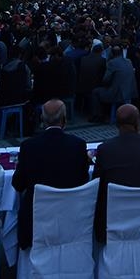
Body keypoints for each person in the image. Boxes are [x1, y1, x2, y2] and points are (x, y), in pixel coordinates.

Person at [11, 99, 90, 250]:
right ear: (64, 120)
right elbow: (84, 180)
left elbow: (18, 184)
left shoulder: (29, 146)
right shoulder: (78, 145)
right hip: (71, 217)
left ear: (42, 120)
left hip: (36, 221)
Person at [92, 103, 140, 240]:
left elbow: (96, 187)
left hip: (111, 225)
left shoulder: (105, 150)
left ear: (117, 125)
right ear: (138, 123)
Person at [89, 46, 136, 123]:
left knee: (95, 91)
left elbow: (105, 79)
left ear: (112, 54)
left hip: (117, 93)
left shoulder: (112, 63)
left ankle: (97, 116)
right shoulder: (129, 61)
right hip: (129, 91)